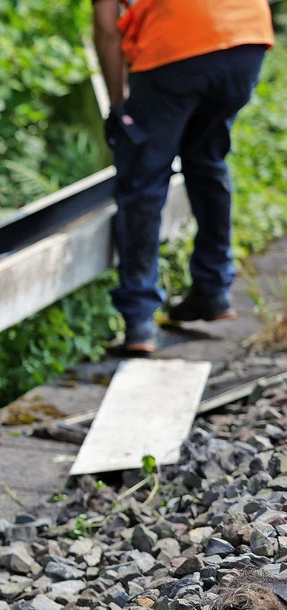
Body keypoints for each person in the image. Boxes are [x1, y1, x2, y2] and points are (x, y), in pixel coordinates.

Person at [92, 0, 275, 354]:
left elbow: (105, 28)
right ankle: (213, 289)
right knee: (206, 159)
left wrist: (118, 105)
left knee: (143, 180)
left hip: (175, 45)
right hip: (245, 39)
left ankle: (139, 317)